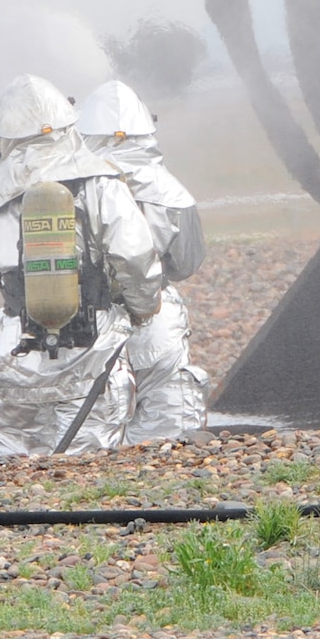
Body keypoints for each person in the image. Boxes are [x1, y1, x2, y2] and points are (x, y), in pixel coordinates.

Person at [0, 74, 167, 456]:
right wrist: (142, 310)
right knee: (87, 464)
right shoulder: (99, 179)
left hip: (14, 346)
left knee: (14, 464)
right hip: (88, 343)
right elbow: (134, 255)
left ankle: (17, 516)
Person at [76, 79, 209, 443]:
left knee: (86, 419)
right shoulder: (170, 191)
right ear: (147, 129)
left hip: (81, 318)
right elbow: (185, 264)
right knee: (168, 419)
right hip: (154, 316)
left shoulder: (66, 185)